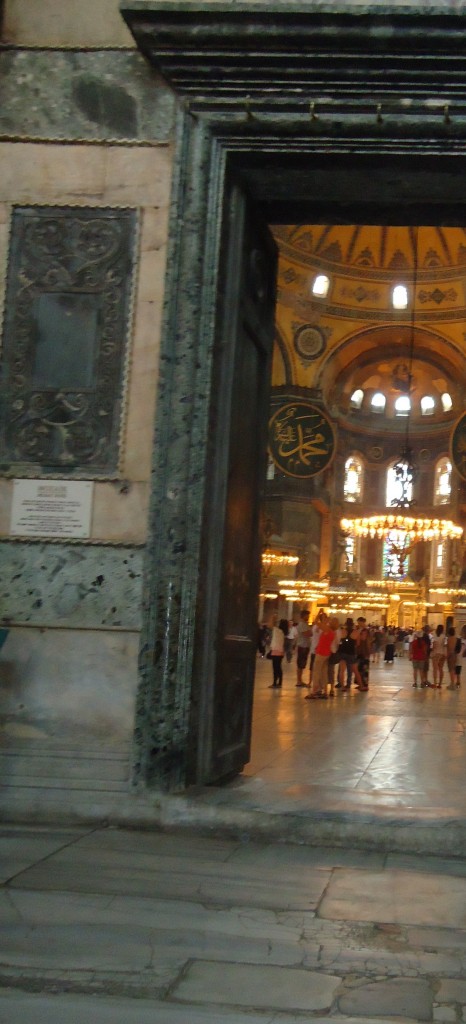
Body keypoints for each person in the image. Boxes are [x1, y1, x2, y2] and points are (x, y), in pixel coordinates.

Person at [306, 612, 336, 699]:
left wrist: (319, 613)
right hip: (326, 653)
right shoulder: (332, 632)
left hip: (321, 653)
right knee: (324, 673)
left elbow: (316, 622)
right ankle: (325, 692)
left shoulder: (327, 630)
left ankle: (314, 692)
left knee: (316, 672)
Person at [269, 617, 288, 688]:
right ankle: (280, 683)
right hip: (280, 652)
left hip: (275, 651)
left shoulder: (277, 631)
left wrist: (273, 618)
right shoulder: (283, 632)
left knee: (275, 668)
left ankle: (274, 683)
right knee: (279, 668)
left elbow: (270, 625)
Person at [296, 609, 312, 687]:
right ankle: (299, 680)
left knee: (302, 663)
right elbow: (307, 634)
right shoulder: (302, 624)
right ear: (304, 616)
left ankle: (300, 680)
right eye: (307, 616)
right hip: (302, 646)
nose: (308, 617)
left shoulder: (305, 624)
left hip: (305, 646)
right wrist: (311, 632)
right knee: (300, 663)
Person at [429, 624, 445, 689]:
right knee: (441, 669)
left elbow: (434, 645)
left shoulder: (434, 635)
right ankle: (440, 684)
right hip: (442, 653)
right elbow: (444, 645)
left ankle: (435, 683)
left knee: (435, 669)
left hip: (435, 653)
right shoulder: (443, 636)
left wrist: (431, 651)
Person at [355, 626, 371, 691]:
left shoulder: (366, 641)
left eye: (364, 634)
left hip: (364, 656)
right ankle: (360, 683)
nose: (363, 635)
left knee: (364, 671)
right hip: (360, 655)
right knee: (359, 670)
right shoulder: (362, 640)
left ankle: (365, 685)